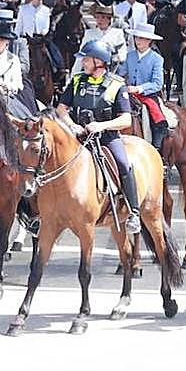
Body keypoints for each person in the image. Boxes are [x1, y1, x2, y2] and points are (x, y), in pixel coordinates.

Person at [58, 40, 139, 234]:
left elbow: (126, 119)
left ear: (99, 61)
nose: (82, 63)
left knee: (123, 163)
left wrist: (101, 126)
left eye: (86, 59)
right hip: (79, 136)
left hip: (107, 138)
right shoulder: (77, 80)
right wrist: (72, 125)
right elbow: (61, 109)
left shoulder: (117, 85)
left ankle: (134, 211)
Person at [119, 23, 168, 150]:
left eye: (141, 38)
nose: (138, 41)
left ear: (149, 40)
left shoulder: (157, 59)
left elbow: (157, 83)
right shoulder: (130, 56)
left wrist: (139, 88)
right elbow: (120, 74)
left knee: (156, 117)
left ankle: (157, 147)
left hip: (148, 95)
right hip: (129, 94)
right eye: (136, 37)